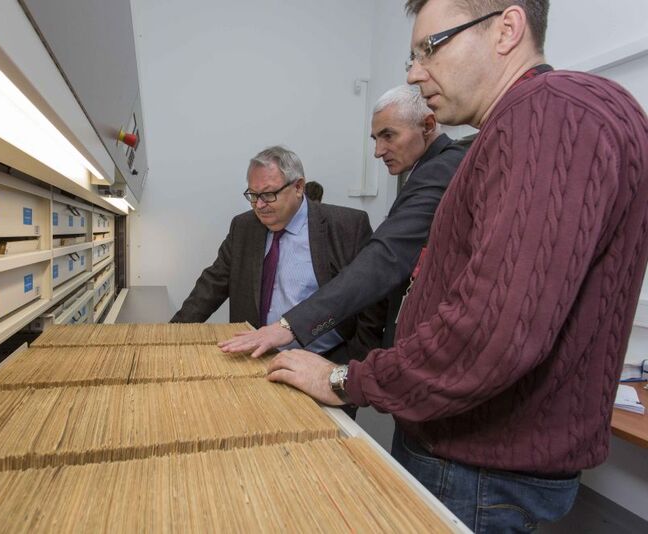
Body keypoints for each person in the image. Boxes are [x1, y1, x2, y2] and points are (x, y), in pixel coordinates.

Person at [263, 1, 648, 531]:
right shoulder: (538, 121)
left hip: (473, 467)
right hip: (477, 458)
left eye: (430, 48)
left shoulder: (550, 111)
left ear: (507, 29)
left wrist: (344, 378)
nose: (414, 73)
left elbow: (491, 333)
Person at [219, 85, 466, 356]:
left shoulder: (441, 170)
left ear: (428, 126)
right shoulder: (429, 171)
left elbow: (383, 260)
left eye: (388, 135)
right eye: (375, 139)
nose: (378, 151)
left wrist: (291, 327)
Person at [171, 146, 384, 364]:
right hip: (255, 360)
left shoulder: (346, 226)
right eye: (253, 195)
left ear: (298, 187)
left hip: (324, 360)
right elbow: (211, 286)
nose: (259, 205)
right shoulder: (244, 227)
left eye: (268, 194)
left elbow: (371, 304)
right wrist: (171, 335)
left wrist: (354, 367)